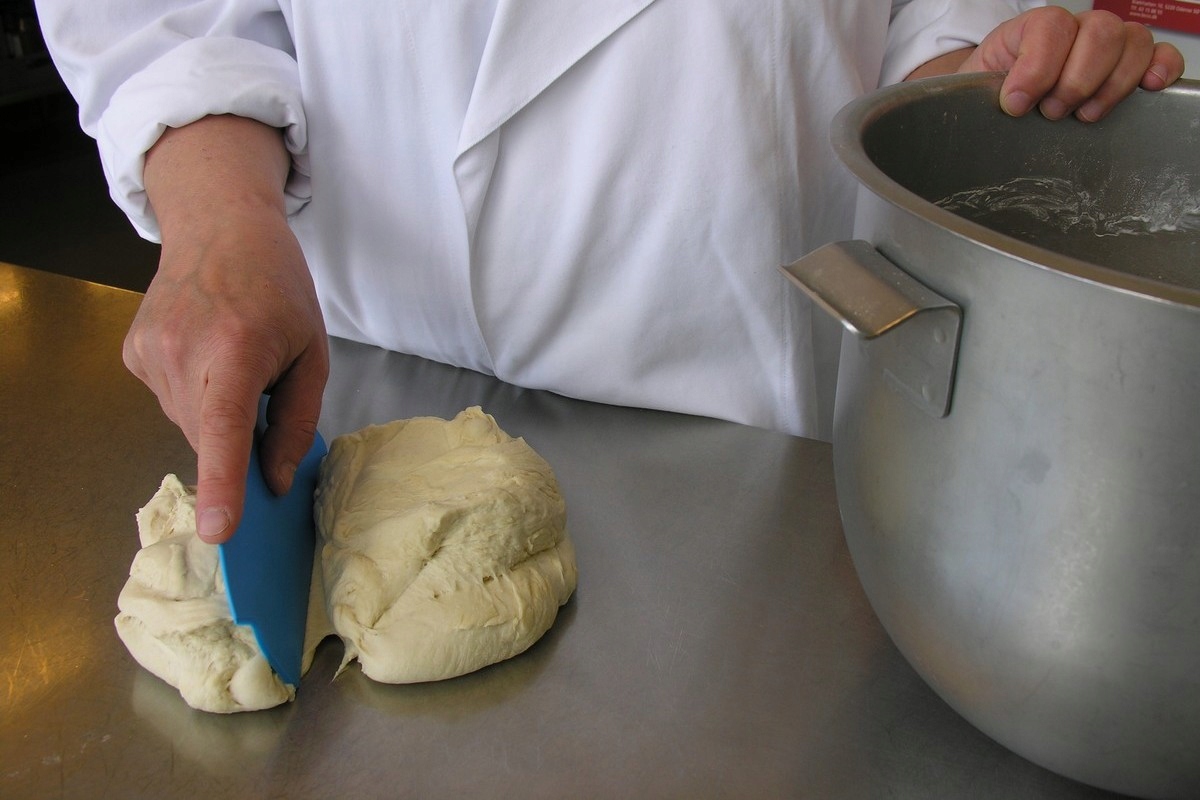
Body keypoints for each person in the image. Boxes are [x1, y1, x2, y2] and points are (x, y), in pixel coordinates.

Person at [36, 1, 1184, 544]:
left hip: (746, 475)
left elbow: (932, 32)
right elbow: (161, 15)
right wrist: (218, 220)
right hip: (351, 387)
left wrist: (987, 84)